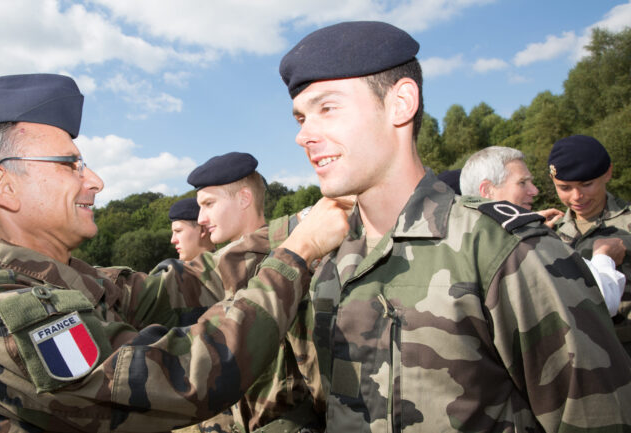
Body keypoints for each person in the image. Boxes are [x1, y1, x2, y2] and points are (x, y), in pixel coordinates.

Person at [0, 73, 351, 432]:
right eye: (70, 164)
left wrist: (294, 227)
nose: (95, 181)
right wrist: (297, 253)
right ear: (2, 187)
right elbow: (184, 378)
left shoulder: (65, 282)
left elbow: (189, 283)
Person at [269, 21, 631, 431]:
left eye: (326, 107)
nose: (303, 135)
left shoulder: (505, 251)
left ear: (401, 103)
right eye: (300, 117)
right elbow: (321, 405)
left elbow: (596, 417)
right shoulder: (329, 261)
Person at [185, 152, 319, 432]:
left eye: (209, 204)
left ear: (244, 198)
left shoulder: (292, 270)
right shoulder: (223, 272)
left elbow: (317, 382)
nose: (200, 218)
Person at [460, 145, 626, 316]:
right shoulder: (519, 244)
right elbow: (599, 299)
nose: (535, 190)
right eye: (522, 183)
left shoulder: (465, 244)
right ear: (487, 190)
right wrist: (605, 258)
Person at [548, 134, 631, 355]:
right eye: (564, 187)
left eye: (587, 184)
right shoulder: (550, 235)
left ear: (608, 173)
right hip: (581, 361)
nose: (577, 196)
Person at [168, 197, 215, 261]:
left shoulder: (229, 268)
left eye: (178, 231)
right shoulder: (227, 266)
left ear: (202, 230)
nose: (173, 240)